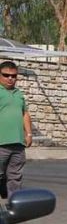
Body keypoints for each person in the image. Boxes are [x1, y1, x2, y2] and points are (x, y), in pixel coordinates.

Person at [0, 60, 33, 199]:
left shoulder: (19, 94)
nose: (10, 78)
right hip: (1, 144)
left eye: (13, 76)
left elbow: (24, 114)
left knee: (15, 177)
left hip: (18, 144)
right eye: (6, 75)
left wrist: (29, 133)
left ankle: (14, 205)